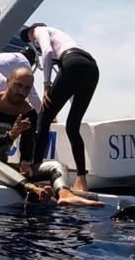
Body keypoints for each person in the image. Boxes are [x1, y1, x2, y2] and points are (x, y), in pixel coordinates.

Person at [0, 66, 103, 207]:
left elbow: (27, 148)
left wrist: (25, 162)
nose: (22, 92)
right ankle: (31, 189)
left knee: (57, 165)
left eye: (27, 88)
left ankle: (64, 193)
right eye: (18, 85)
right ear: (8, 81)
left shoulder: (28, 113)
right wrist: (10, 136)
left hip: (3, 168)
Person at [19, 23, 98, 192]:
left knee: (44, 117)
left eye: (30, 38)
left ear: (32, 32)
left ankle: (36, 172)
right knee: (72, 126)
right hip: (92, 68)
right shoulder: (63, 37)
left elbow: (46, 51)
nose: (32, 41)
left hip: (72, 63)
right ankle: (81, 179)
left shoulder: (39, 31)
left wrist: (46, 85)